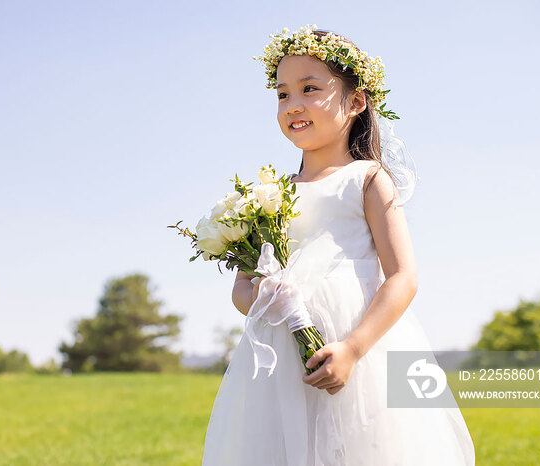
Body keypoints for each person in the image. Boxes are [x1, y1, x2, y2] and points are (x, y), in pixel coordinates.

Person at [202, 25, 476, 465]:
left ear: (355, 101)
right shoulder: (267, 196)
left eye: (309, 89)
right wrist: (265, 297)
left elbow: (403, 277)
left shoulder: (367, 179)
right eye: (282, 94)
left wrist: (352, 348)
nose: (293, 105)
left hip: (360, 349)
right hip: (282, 360)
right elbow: (242, 290)